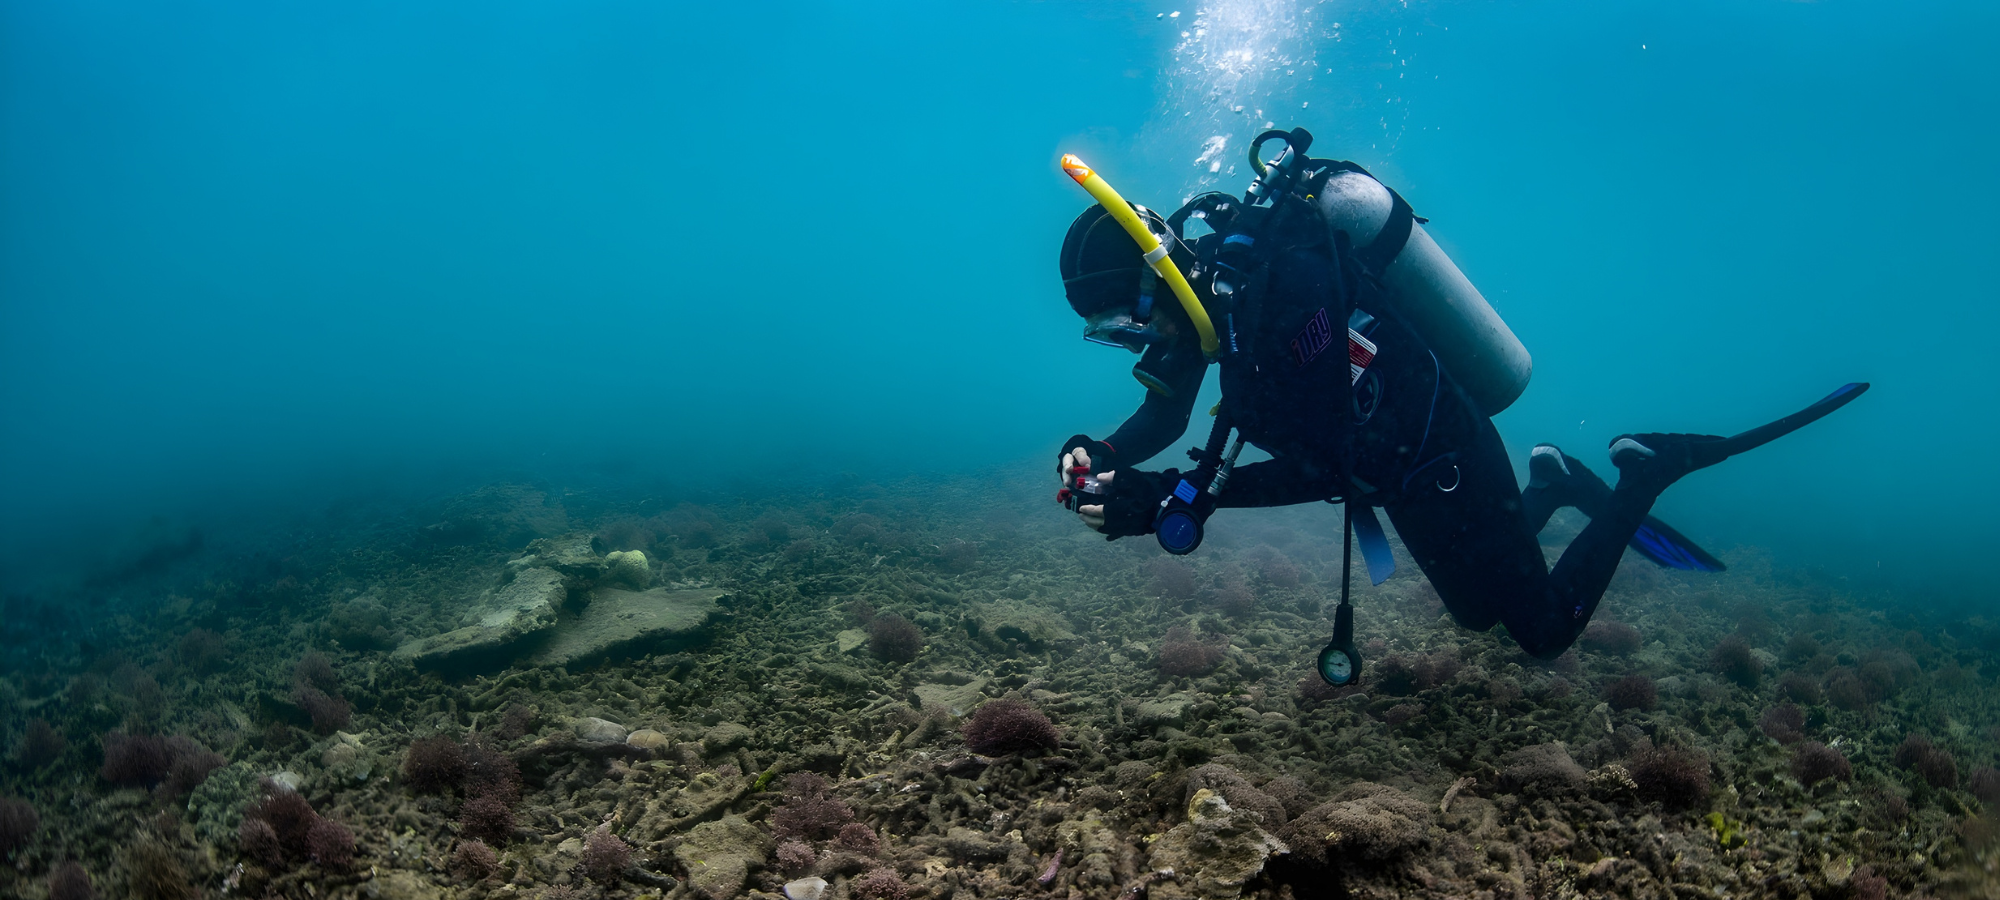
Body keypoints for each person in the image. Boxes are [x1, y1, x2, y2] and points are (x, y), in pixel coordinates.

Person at [1050, 132, 1863, 668]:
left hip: (1439, 452)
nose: (1134, 338)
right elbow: (1168, 415)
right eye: (1110, 334)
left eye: (1125, 319)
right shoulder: (1208, 310)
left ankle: (1647, 471)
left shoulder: (1287, 295)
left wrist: (1169, 498)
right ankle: (1553, 484)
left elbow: (1327, 464)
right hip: (1397, 471)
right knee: (1478, 616)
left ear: (1159, 272)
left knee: (1540, 629)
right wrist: (1107, 455)